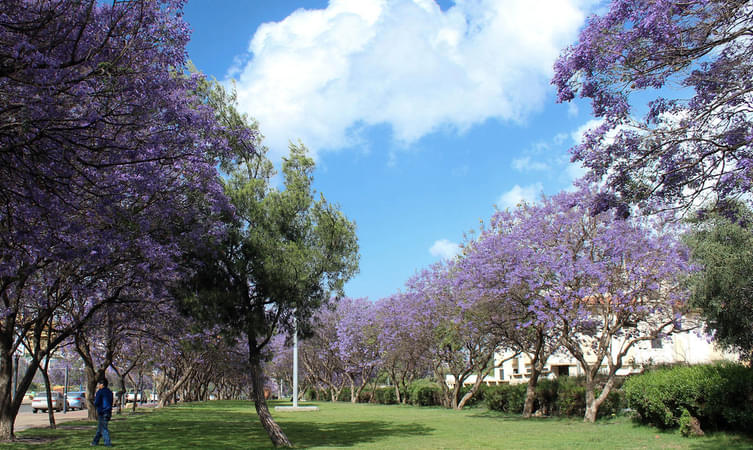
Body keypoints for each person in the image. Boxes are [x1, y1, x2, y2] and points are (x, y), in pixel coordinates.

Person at [91, 378, 113, 447]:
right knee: (100, 428)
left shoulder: (100, 392)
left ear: (102, 385)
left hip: (102, 412)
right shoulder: (110, 392)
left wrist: (93, 402)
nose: (98, 386)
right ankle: (95, 442)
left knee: (103, 428)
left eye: (99, 384)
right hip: (108, 411)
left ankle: (108, 443)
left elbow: (96, 402)